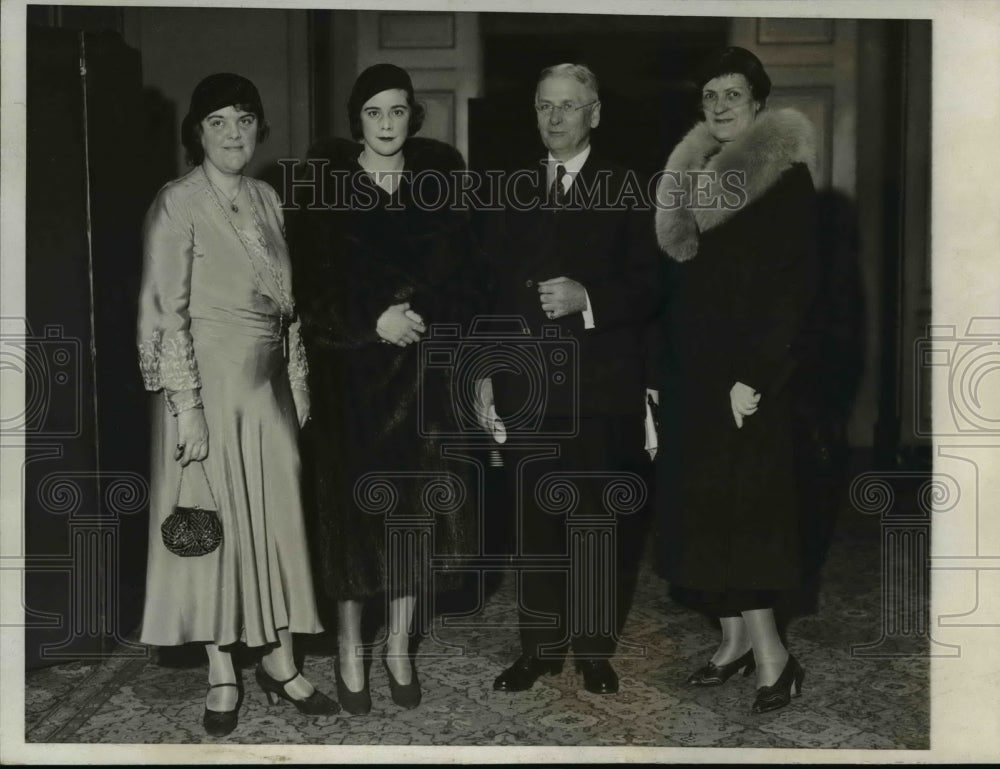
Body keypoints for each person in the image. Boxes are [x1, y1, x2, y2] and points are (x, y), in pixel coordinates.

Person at [136, 73, 338, 736]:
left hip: (268, 390)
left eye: (244, 120)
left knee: (277, 524)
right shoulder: (177, 202)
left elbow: (290, 309)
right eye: (217, 121)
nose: (232, 134)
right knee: (211, 531)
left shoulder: (267, 198)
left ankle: (279, 659)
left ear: (259, 129)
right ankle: (222, 664)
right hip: (207, 391)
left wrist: (299, 382)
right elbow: (166, 313)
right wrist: (186, 407)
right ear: (197, 131)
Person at [288, 63, 484, 715]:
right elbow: (309, 294)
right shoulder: (324, 192)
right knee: (350, 523)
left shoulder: (439, 188)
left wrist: (430, 324)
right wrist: (375, 319)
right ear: (357, 123)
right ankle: (349, 650)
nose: (387, 125)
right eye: (374, 113)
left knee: (410, 523)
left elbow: (462, 286)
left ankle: (398, 643)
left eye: (398, 111)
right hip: (353, 380)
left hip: (421, 382)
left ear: (412, 118)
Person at [483, 63, 659, 696]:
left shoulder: (628, 187)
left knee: (593, 520)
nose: (554, 118)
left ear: (595, 114)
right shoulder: (509, 189)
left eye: (568, 106)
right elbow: (492, 292)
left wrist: (590, 298)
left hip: (600, 386)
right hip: (527, 385)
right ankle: (538, 648)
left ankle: (592, 649)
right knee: (533, 520)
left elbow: (652, 285)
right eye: (544, 106)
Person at [653, 46, 819, 714]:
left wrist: (756, 374)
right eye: (710, 95)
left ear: (757, 102)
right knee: (703, 512)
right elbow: (677, 285)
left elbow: (794, 291)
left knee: (746, 516)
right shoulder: (690, 174)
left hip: (748, 377)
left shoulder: (785, 178)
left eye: (734, 93)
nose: (721, 106)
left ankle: (775, 656)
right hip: (694, 371)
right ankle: (732, 643)